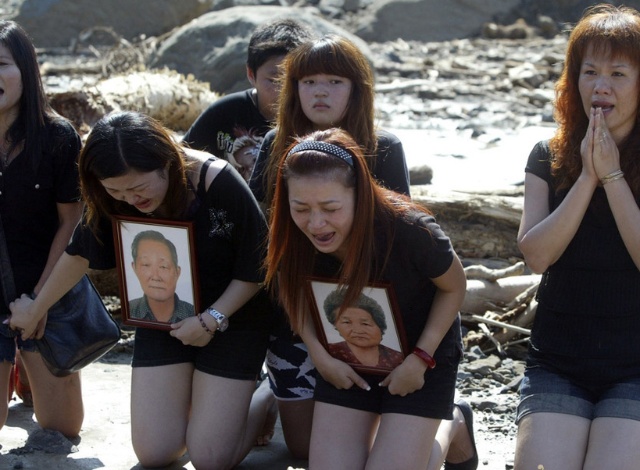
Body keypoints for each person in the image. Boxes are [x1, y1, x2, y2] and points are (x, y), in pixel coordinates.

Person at [8, 111, 276, 469]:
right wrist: (37, 307)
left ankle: (265, 395)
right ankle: (208, 409)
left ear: (165, 161)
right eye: (116, 191)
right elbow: (79, 253)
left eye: (138, 188)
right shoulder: (110, 195)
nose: (130, 199)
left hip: (232, 316)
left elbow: (258, 267)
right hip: (164, 315)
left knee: (211, 459)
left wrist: (211, 319)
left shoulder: (216, 180)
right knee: (155, 452)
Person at [265, 127, 474, 469]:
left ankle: (452, 422)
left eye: (330, 208)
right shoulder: (291, 231)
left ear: (359, 195)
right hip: (347, 356)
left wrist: (421, 358)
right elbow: (292, 290)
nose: (316, 224)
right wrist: (319, 354)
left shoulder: (411, 229)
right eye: (300, 208)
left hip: (421, 354)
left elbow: (455, 285)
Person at [248, 33, 412, 458]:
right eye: (309, 82)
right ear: (293, 89)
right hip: (295, 310)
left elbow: (402, 243)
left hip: (364, 313)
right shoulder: (274, 144)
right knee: (302, 450)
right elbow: (264, 243)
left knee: (358, 451)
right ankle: (268, 394)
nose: (320, 91)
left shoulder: (384, 148)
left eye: (335, 82)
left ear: (357, 90)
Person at [514, 5, 640, 469]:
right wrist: (587, 177)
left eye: (618, 74)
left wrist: (612, 177)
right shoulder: (547, 155)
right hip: (558, 360)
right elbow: (536, 255)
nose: (601, 86)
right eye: (590, 72)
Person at [0, 20, 84, 436]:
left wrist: (41, 300)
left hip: (43, 288)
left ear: (26, 71)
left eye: (0, 64)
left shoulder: (57, 138)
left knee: (62, 426)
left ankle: (24, 368)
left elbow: (72, 222)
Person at [182, 18, 313, 164]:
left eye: (295, 80)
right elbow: (181, 160)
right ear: (251, 74)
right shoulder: (225, 113)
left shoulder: (315, 121)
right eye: (274, 80)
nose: (284, 90)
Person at [323, 288, 403, 370]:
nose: (357, 331)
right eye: (346, 322)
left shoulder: (399, 358)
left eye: (365, 324)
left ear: (380, 327)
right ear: (335, 325)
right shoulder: (327, 352)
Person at [129, 230, 194, 323]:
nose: (155, 277)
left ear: (177, 272)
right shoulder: (127, 311)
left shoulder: (195, 316)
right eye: (146, 265)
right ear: (135, 268)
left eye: (163, 267)